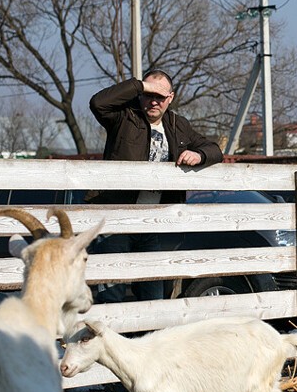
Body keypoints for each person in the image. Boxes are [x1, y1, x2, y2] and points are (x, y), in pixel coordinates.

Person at [86, 69, 224, 302]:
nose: (153, 101)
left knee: (153, 293)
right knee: (111, 292)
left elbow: (215, 149)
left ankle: (148, 336)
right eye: (149, 94)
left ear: (170, 98)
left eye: (160, 97)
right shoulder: (123, 117)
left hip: (155, 224)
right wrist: (141, 86)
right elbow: (98, 103)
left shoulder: (178, 125)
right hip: (117, 220)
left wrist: (199, 154)